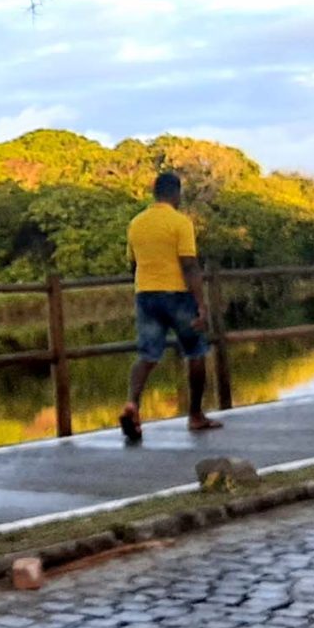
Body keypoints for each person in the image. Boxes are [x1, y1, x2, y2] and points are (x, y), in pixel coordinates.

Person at [119, 171, 223, 442]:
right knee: (196, 351)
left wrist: (145, 286)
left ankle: (132, 404)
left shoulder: (136, 223)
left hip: (146, 294)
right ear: (176, 193)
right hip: (177, 295)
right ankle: (196, 415)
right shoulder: (180, 223)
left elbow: (133, 265)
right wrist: (201, 304)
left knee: (148, 354)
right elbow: (189, 265)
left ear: (155, 193)